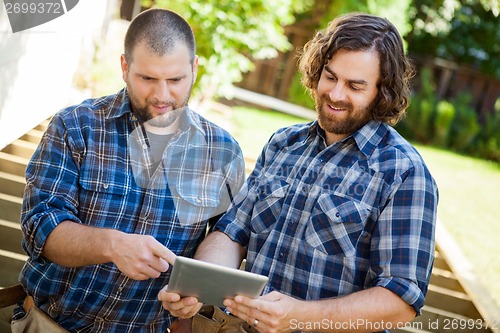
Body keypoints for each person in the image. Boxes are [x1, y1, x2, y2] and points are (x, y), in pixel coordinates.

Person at [159, 12, 439, 333]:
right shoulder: (283, 144)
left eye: (355, 86)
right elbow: (233, 232)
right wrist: (198, 286)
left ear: (382, 91)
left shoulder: (404, 173)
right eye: (330, 77)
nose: (335, 94)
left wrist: (299, 316)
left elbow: (401, 300)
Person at [13, 8, 245, 333]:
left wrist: (197, 292)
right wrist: (111, 245)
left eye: (175, 80)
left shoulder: (222, 152)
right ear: (124, 67)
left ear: (194, 69)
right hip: (48, 324)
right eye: (147, 78)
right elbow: (39, 229)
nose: (162, 95)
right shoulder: (76, 126)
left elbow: (227, 238)